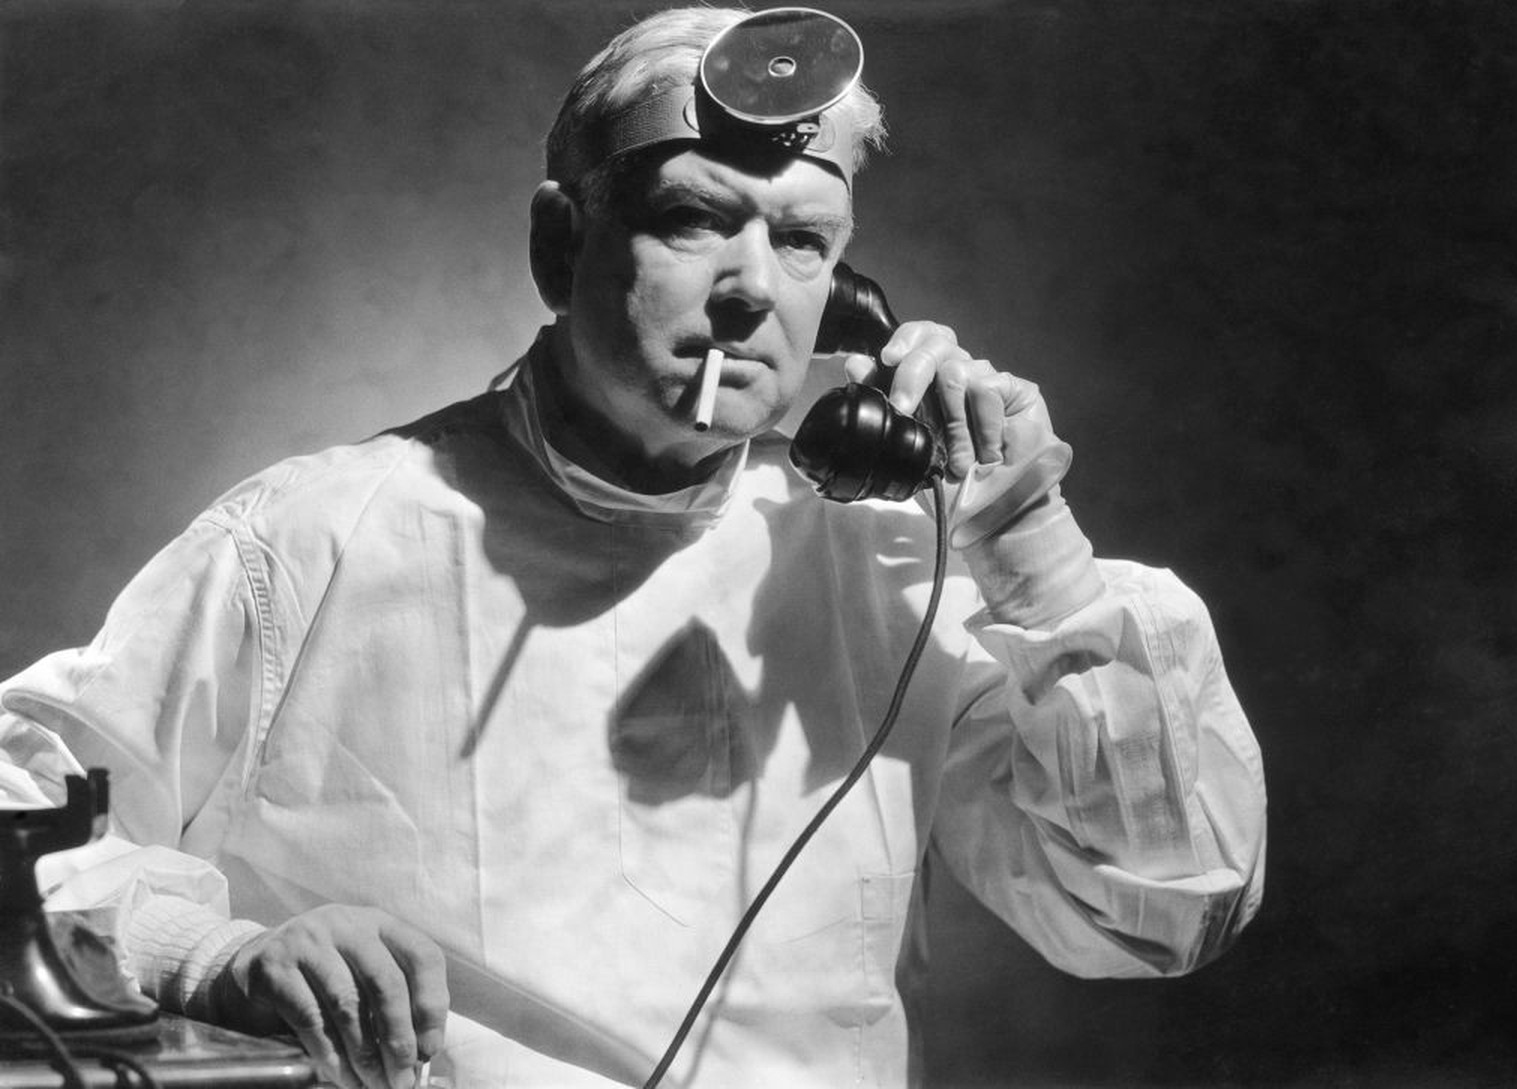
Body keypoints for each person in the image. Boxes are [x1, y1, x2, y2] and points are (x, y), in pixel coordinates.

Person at [0, 7, 1266, 1088]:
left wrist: (1033, 549)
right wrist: (208, 959)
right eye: (694, 220)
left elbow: (1155, 913)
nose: (750, 290)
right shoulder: (310, 540)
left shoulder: (900, 565)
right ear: (562, 245)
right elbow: (16, 822)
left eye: (803, 242)